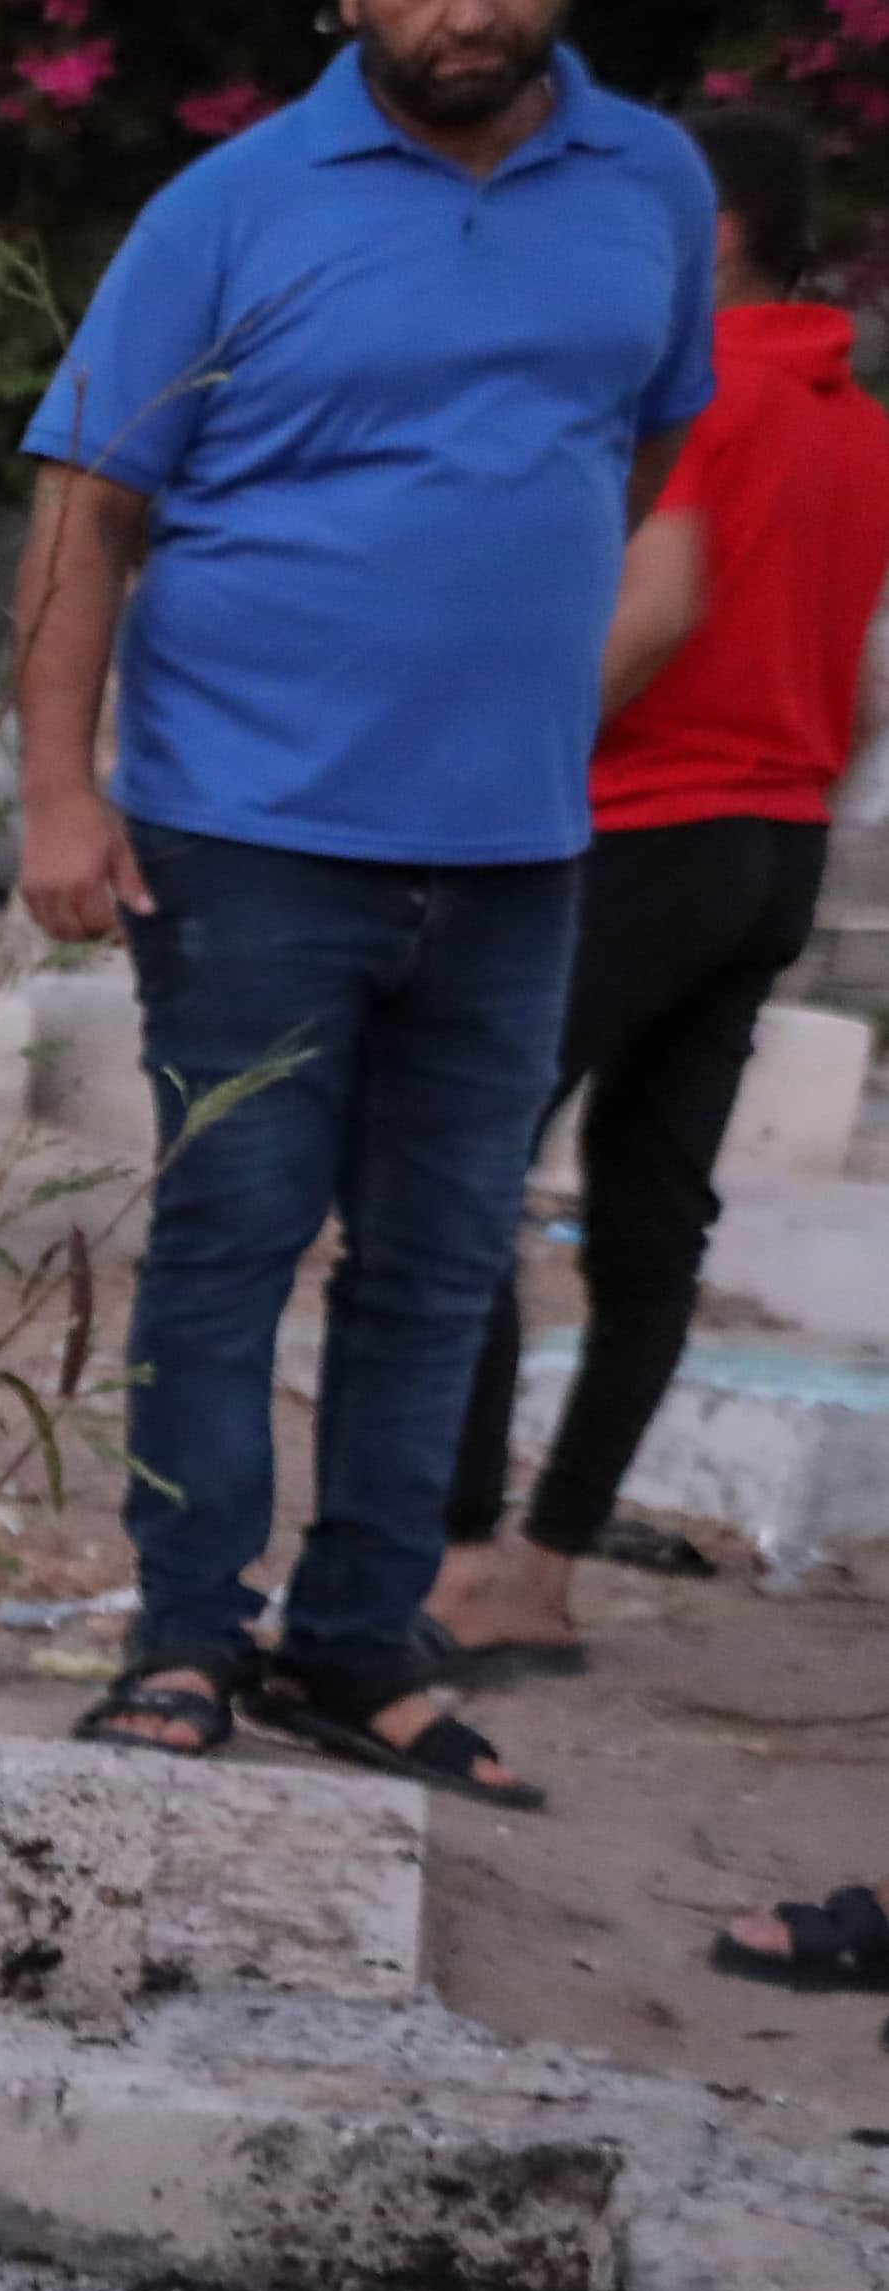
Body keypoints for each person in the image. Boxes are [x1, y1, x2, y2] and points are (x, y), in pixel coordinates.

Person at [16, 0, 717, 1810]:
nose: (463, 9)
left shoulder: (649, 182)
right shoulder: (227, 208)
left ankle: (356, 1644)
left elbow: (631, 456)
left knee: (441, 1266)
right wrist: (58, 793)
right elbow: (86, 503)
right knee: (232, 1241)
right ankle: (181, 1636)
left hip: (514, 850)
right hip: (245, 836)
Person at [435, 106, 889, 1673]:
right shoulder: (855, 420)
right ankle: (546, 1575)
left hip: (641, 827)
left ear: (705, 235)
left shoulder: (695, 392)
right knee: (650, 1217)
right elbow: (863, 678)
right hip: (777, 844)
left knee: (452, 1157)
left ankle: (452, 1555)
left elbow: (658, 605)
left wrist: (493, 753)